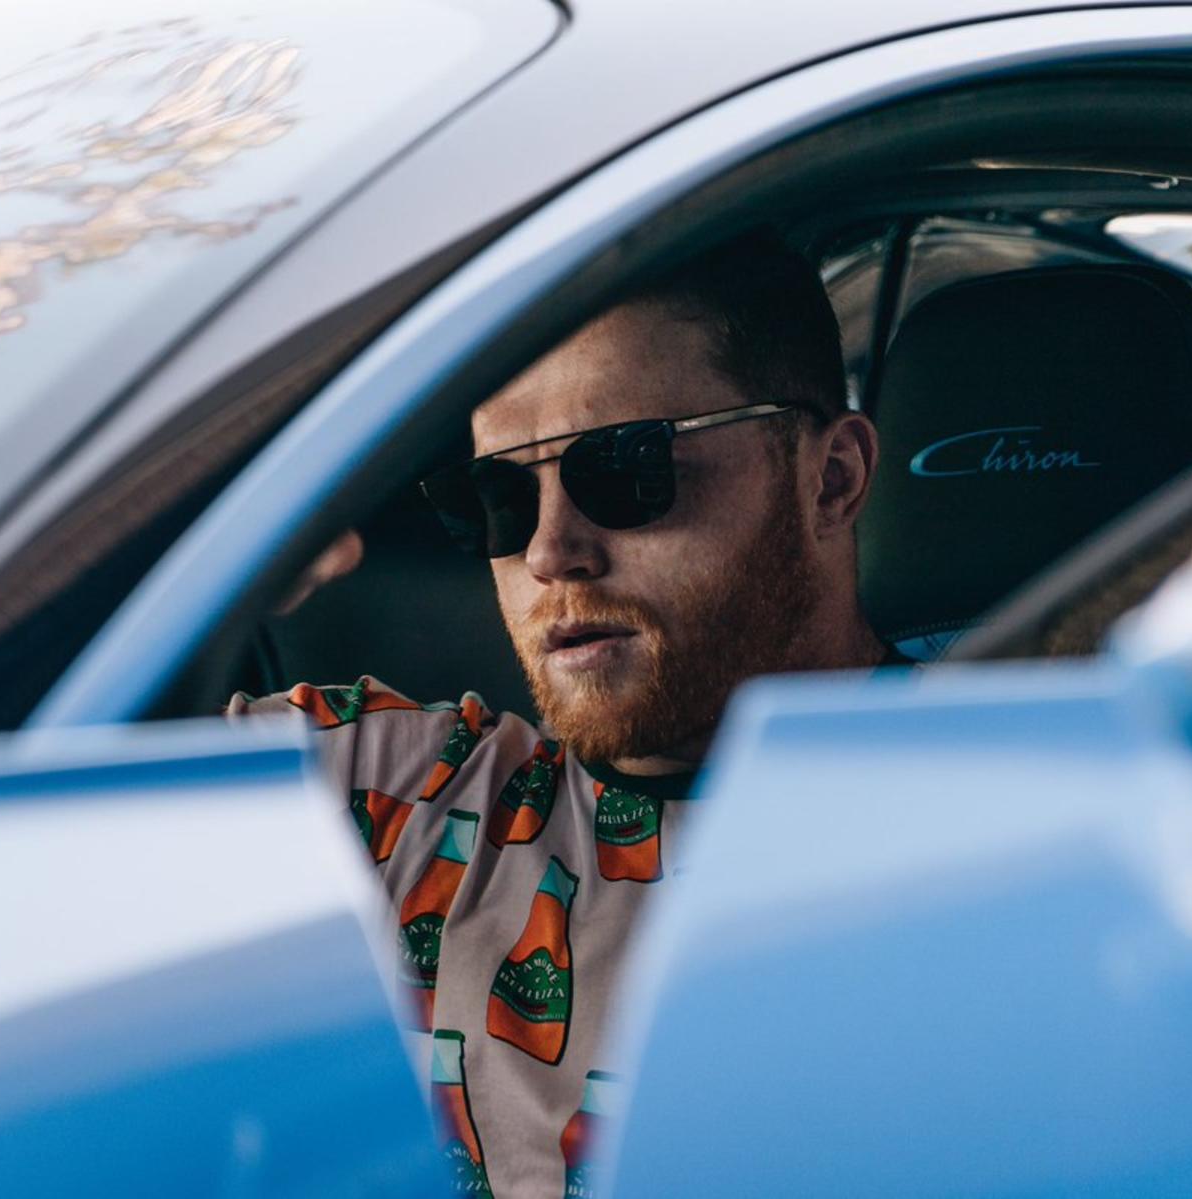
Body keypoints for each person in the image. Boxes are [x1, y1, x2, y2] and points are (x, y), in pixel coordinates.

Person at [228, 231, 890, 1197]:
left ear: (831, 479)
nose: (547, 551)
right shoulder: (390, 800)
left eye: (626, 468)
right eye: (497, 495)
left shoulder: (1025, 818)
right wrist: (205, 572)